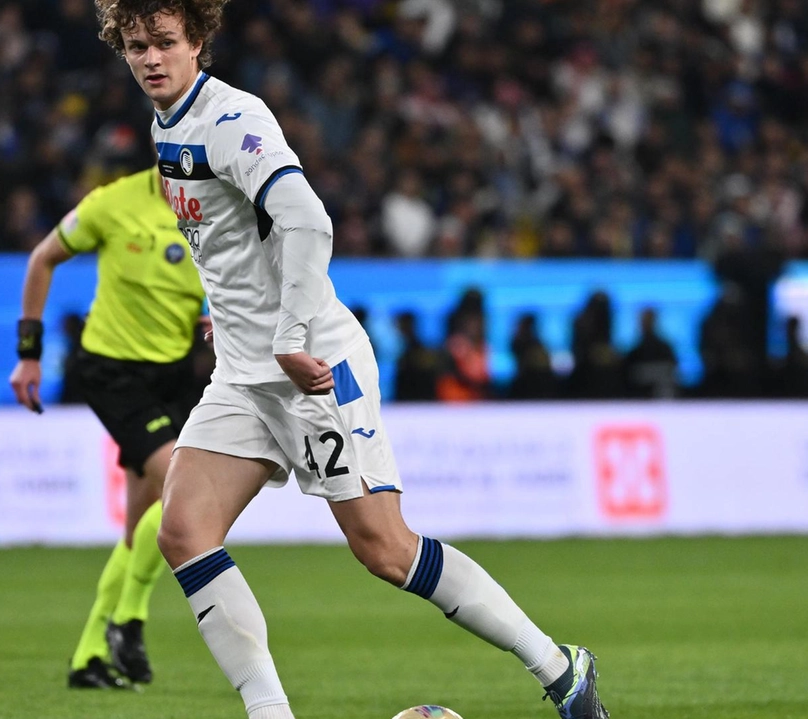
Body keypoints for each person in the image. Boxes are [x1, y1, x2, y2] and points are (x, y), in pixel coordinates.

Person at [93, 1, 611, 718]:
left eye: (165, 43)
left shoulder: (232, 119)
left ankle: (561, 668)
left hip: (311, 364)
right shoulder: (167, 125)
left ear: (200, 42)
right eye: (136, 45)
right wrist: (230, 310)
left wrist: (289, 333)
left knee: (386, 549)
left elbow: (308, 218)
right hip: (244, 374)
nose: (150, 58)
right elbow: (235, 239)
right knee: (183, 531)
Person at [8, 166, 206, 689]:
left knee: (141, 521)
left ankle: (88, 656)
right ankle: (129, 619)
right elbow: (42, 258)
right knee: (179, 480)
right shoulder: (110, 203)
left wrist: (212, 320)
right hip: (112, 371)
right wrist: (29, 355)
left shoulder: (216, 204)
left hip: (175, 371)